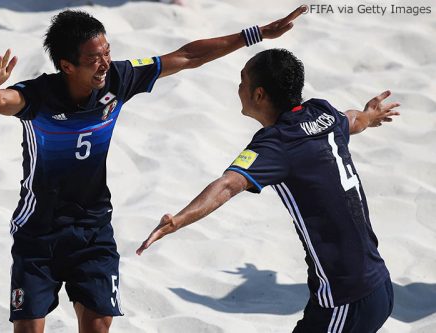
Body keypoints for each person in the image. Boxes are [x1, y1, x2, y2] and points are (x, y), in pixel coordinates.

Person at [0, 6, 306, 333]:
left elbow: (188, 56)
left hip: (92, 229)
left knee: (98, 324)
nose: (105, 63)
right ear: (67, 66)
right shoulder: (39, 96)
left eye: (107, 52)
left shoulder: (116, 80)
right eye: (94, 58)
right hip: (39, 233)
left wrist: (257, 34)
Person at [137, 48, 400, 332]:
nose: (238, 88)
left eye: (242, 82)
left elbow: (227, 185)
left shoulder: (276, 144)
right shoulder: (322, 113)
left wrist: (177, 220)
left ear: (259, 95)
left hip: (347, 299)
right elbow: (352, 120)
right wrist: (369, 115)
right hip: (376, 285)